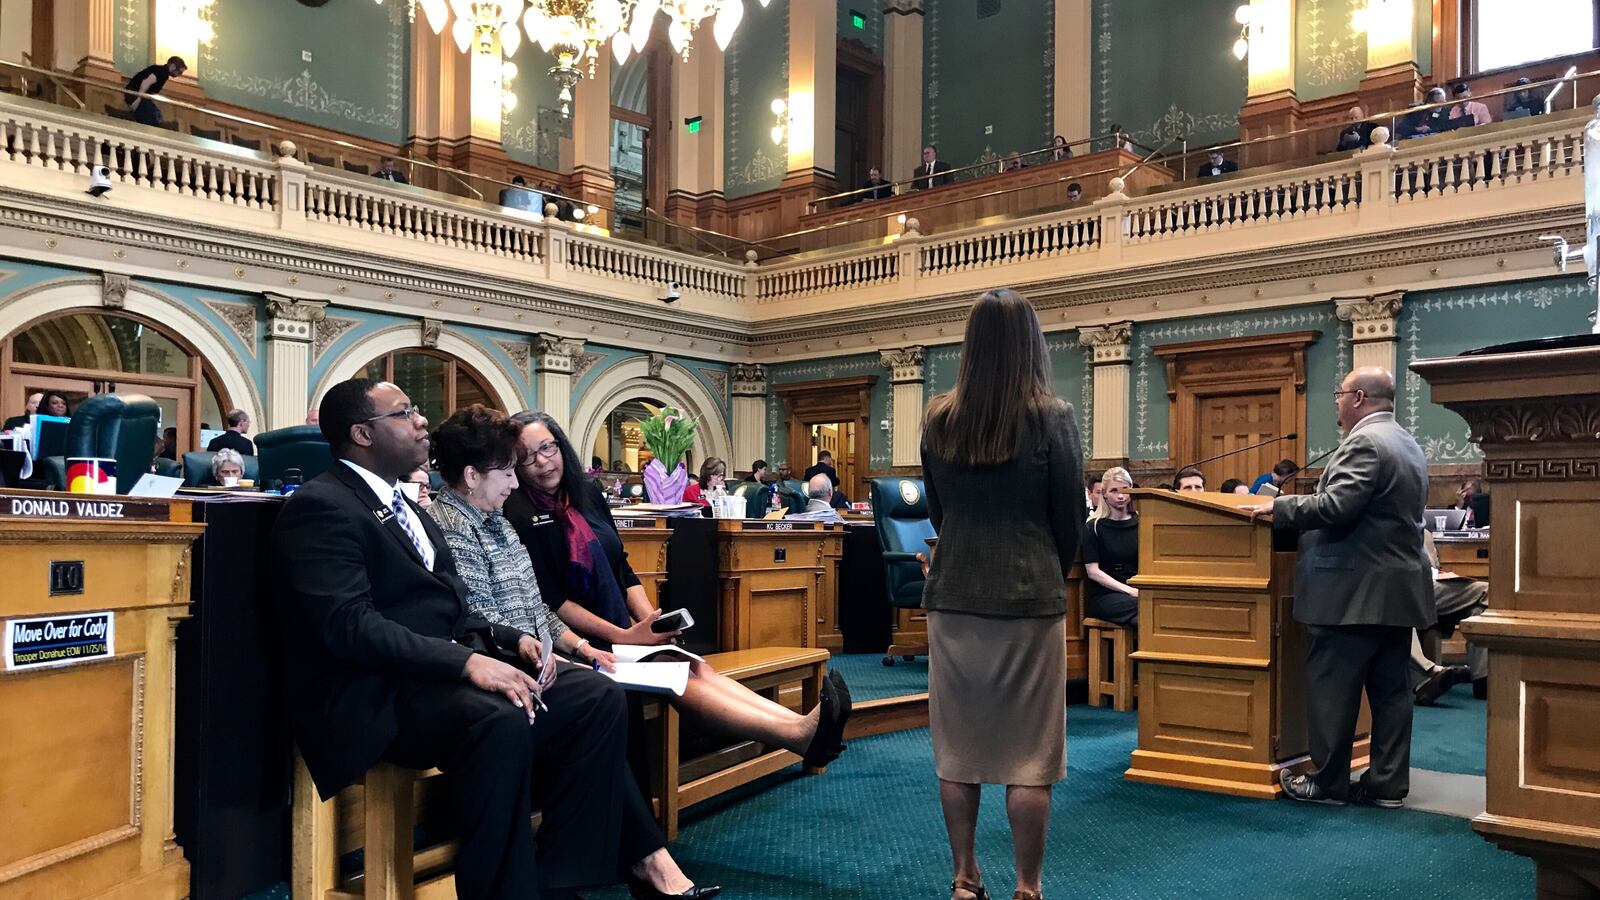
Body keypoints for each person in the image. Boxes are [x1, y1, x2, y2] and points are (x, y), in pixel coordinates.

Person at [272, 378, 704, 900]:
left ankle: (560, 877)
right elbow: (349, 625)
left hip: (435, 676)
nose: (421, 421)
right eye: (405, 412)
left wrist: (510, 641)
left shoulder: (401, 503)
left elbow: (451, 606)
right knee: (500, 717)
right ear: (363, 433)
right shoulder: (321, 505)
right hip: (380, 691)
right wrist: (468, 664)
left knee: (595, 697)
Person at [422, 406, 719, 900]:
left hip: (541, 659)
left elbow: (539, 606)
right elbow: (478, 619)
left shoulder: (495, 519)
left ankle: (575, 869)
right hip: (503, 671)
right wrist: (555, 653)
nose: (516, 483)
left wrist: (578, 649)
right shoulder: (450, 526)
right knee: (601, 701)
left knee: (605, 694)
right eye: (507, 470)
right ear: (473, 476)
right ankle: (632, 865)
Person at [501, 410, 851, 769]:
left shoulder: (587, 493)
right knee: (678, 675)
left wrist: (651, 621)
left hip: (624, 631)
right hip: (580, 646)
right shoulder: (517, 510)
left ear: (561, 446)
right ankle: (798, 735)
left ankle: (799, 727)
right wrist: (624, 635)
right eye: (528, 456)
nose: (543, 461)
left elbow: (621, 566)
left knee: (697, 668)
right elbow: (554, 602)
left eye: (548, 448)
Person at [921, 288, 1083, 900]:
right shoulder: (1052, 417)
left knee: (958, 753)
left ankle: (965, 879)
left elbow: (939, 512)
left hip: (953, 596)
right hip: (1028, 598)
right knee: (1029, 758)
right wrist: (1046, 566)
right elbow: (1068, 518)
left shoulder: (938, 418)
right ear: (1032, 345)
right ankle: (1027, 887)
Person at [1243, 367, 1432, 809]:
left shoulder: (1365, 442)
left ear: (1359, 397)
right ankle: (1387, 783)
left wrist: (1279, 505)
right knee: (1390, 692)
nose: (1337, 403)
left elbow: (1337, 506)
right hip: (1395, 588)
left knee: (1333, 688)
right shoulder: (1407, 442)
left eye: (1340, 394)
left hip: (1352, 588)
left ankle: (1327, 784)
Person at [1411, 530, 1485, 705]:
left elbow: (1434, 568)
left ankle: (1483, 679)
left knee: (1481, 604)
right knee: (1486, 592)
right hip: (1403, 587)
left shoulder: (1425, 534)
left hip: (1429, 588)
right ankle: (1427, 675)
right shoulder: (1385, 527)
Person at [1082, 466, 1139, 626]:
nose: (1120, 496)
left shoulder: (1142, 523)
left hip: (1139, 589)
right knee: (1147, 610)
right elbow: (1093, 572)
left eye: (1125, 490)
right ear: (1105, 494)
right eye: (1114, 491)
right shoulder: (1093, 527)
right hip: (1107, 595)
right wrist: (1129, 591)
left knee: (1152, 614)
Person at [123, 56, 186, 127]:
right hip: (135, 94)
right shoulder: (162, 72)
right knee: (152, 117)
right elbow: (145, 83)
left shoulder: (161, 71)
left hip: (136, 94)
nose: (179, 75)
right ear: (173, 66)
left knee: (154, 114)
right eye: (179, 72)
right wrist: (138, 100)